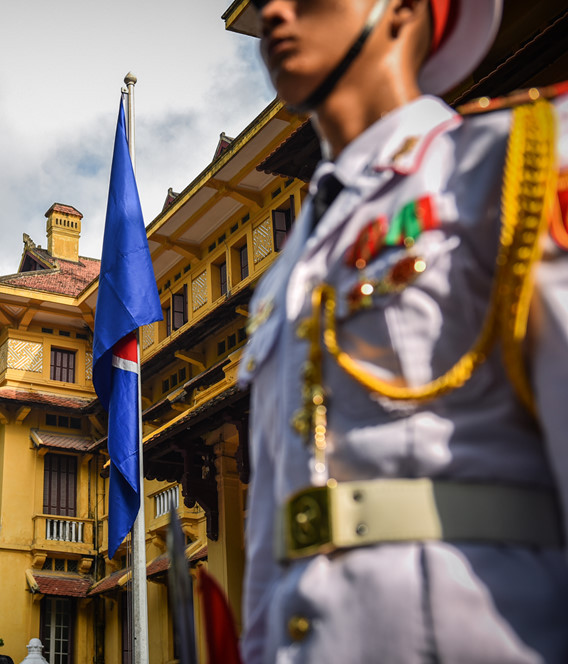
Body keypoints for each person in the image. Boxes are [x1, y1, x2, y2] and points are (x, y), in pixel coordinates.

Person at [236, 0, 568, 662]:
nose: (274, 11)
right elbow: (273, 528)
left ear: (404, 8)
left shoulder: (517, 159)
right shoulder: (284, 276)